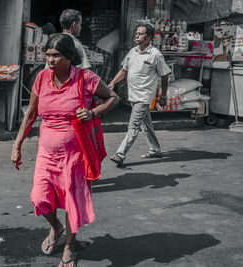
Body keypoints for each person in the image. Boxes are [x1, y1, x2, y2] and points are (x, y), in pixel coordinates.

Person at [11, 33, 119, 267]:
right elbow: (30, 114)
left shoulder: (85, 78)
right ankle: (56, 227)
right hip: (46, 154)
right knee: (39, 198)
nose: (50, 60)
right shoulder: (41, 77)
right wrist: (17, 144)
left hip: (75, 155)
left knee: (72, 202)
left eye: (56, 55)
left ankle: (69, 247)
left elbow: (113, 97)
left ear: (69, 57)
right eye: (48, 55)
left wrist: (93, 112)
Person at [108, 23, 171, 166]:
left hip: (144, 96)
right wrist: (112, 83)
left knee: (133, 126)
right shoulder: (133, 51)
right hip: (133, 95)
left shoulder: (156, 54)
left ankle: (120, 154)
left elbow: (165, 75)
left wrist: (164, 95)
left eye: (140, 34)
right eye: (136, 33)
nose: (136, 36)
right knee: (146, 124)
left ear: (149, 37)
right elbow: (124, 70)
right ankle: (155, 150)